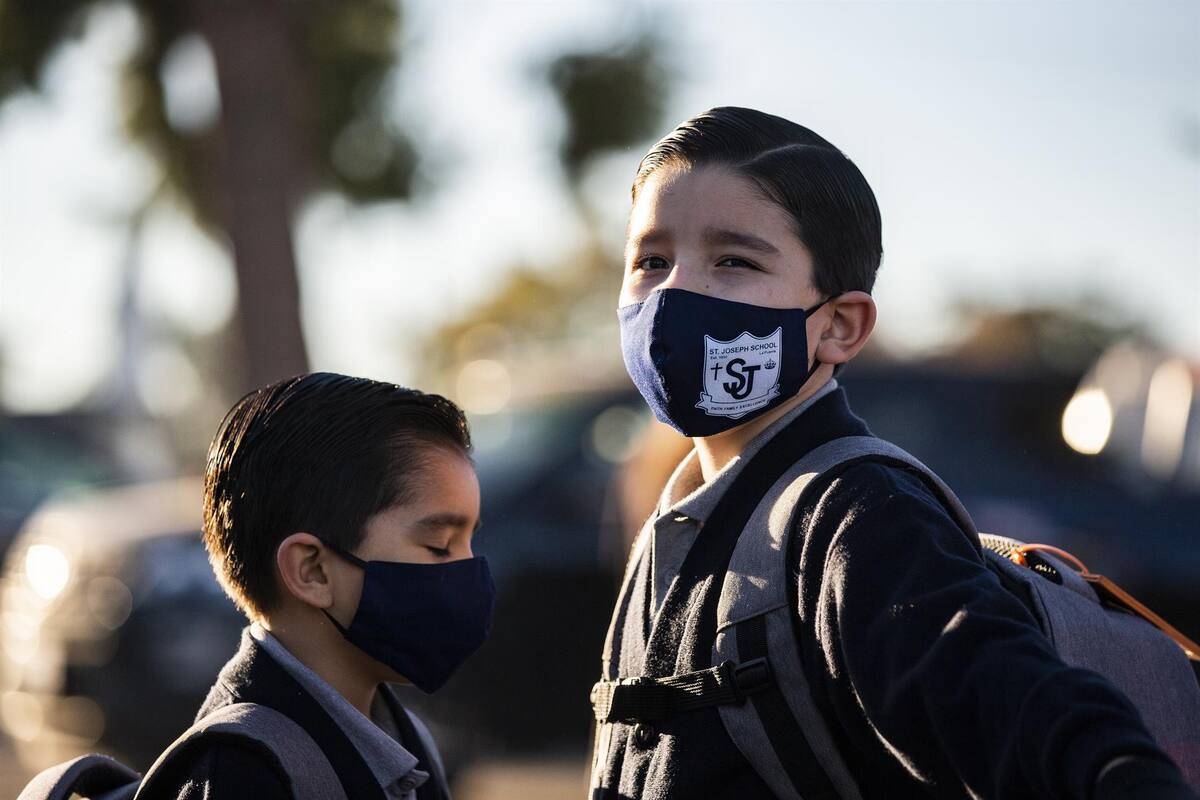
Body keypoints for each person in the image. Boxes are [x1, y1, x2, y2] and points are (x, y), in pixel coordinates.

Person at [589, 107, 1197, 799]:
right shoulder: (679, 522)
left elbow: (1036, 724)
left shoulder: (861, 519)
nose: (675, 292)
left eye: (733, 261)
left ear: (840, 327)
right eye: (651, 260)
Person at [158, 372, 492, 799]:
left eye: (470, 540)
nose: (471, 570)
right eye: (440, 545)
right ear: (312, 571)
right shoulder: (242, 772)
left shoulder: (406, 739)